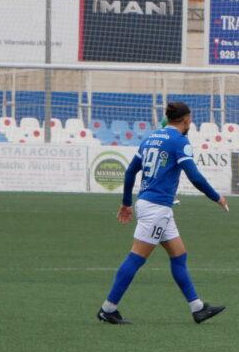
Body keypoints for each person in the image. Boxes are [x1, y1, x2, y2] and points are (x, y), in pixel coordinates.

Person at [98, 102, 229, 325]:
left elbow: (131, 171)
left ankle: (197, 308)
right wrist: (216, 196)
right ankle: (108, 309)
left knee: (179, 254)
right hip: (156, 208)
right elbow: (194, 176)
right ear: (186, 120)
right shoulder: (179, 141)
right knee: (136, 258)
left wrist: (126, 203)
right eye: (191, 120)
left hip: (154, 205)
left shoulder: (151, 138)